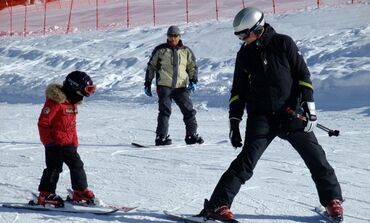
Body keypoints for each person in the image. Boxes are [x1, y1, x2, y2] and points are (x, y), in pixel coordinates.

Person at [198, 7, 343, 222]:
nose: (242, 39)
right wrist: (234, 121)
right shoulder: (245, 54)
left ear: (258, 27)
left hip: (290, 113)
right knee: (246, 162)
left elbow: (303, 76)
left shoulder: (284, 44)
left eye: (244, 34)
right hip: (261, 117)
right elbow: (238, 91)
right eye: (238, 36)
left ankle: (332, 201)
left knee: (316, 158)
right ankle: (218, 204)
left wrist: (310, 107)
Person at [35, 71, 97, 207]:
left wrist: (74, 142)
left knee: (77, 165)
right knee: (54, 168)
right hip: (54, 143)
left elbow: (71, 126)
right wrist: (49, 142)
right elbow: (43, 123)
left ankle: (80, 191)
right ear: (74, 87)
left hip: (68, 143)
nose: (84, 95)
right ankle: (45, 193)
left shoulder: (71, 103)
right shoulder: (55, 103)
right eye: (85, 90)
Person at [144, 25, 204, 146]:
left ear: (179, 36)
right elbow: (151, 67)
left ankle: (191, 135)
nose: (172, 38)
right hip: (164, 86)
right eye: (169, 36)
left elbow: (192, 67)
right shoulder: (160, 50)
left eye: (174, 36)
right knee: (165, 111)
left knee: (189, 111)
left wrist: (193, 80)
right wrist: (148, 83)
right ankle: (161, 137)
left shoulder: (186, 51)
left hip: (181, 86)